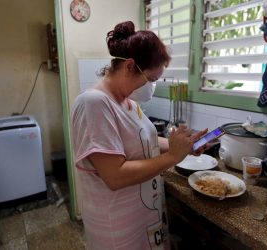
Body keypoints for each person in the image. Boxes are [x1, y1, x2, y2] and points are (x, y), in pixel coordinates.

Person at [71, 21, 207, 250]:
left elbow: (147, 140)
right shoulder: (93, 103)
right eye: (151, 79)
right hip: (116, 226)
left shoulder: (128, 103)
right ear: (129, 66)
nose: (151, 86)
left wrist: (185, 146)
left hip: (143, 215)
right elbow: (114, 176)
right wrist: (173, 157)